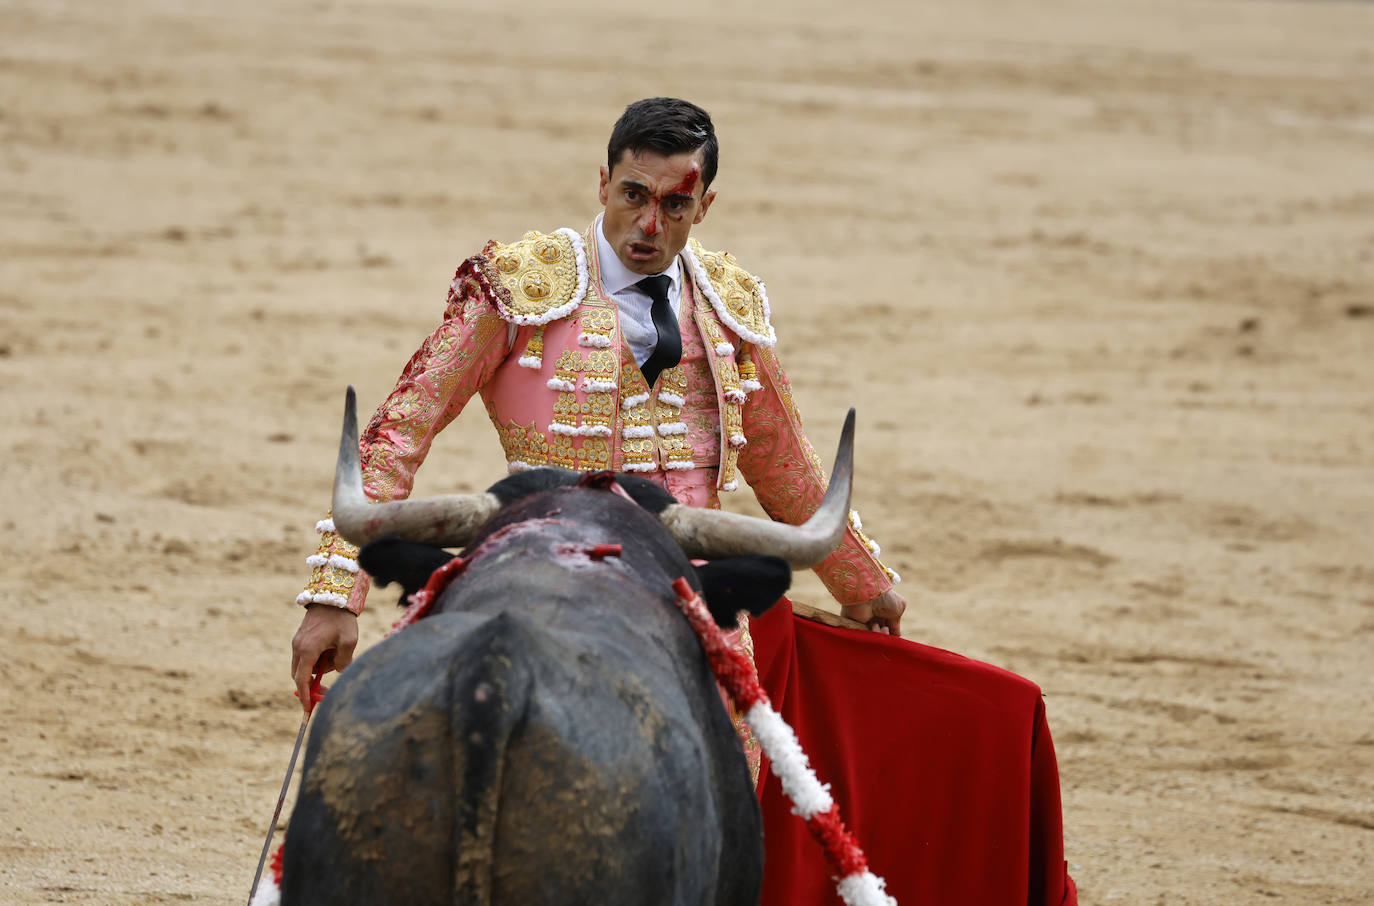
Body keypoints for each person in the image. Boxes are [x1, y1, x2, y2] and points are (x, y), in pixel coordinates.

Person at [288, 97, 1076, 906]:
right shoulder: (517, 284)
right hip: (545, 542)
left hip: (692, 583)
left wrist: (866, 586)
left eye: (674, 204)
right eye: (633, 194)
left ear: (704, 205)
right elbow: (397, 433)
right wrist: (334, 592)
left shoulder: (730, 306)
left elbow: (787, 468)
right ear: (601, 183)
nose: (648, 224)